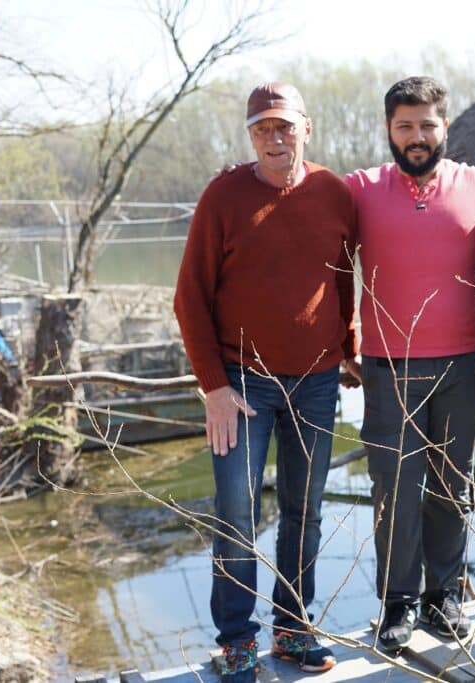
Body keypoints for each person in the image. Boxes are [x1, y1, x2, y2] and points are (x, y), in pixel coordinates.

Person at [173, 81, 357, 680]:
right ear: (249, 136)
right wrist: (213, 387)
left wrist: (349, 348)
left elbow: (344, 278)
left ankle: (294, 630)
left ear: (307, 127)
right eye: (261, 129)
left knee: (305, 509)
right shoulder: (223, 196)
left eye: (284, 126)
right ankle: (236, 638)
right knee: (237, 510)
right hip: (241, 384)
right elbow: (189, 299)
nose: (274, 139)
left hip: (317, 381)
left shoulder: (335, 192)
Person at [343, 76, 475, 651]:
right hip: (389, 370)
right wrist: (346, 343)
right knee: (394, 490)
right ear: (389, 129)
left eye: (427, 126)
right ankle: (397, 602)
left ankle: (445, 596)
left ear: (445, 126)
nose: (417, 137)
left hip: (464, 368)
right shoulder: (359, 190)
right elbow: (312, 248)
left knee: (452, 488)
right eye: (404, 126)